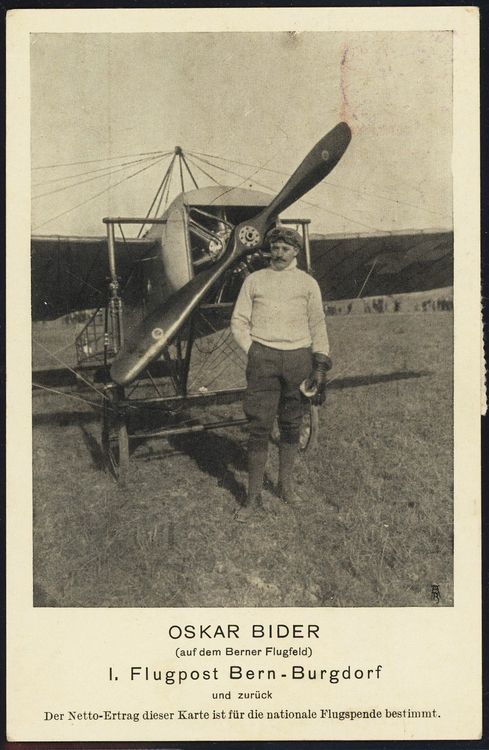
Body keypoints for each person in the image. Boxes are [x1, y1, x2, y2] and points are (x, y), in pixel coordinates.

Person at [231, 226, 332, 521]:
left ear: (296, 252)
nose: (278, 253)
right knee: (259, 427)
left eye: (285, 249)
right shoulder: (254, 280)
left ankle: (285, 487)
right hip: (263, 358)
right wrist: (253, 350)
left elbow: (318, 324)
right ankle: (252, 499)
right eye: (274, 247)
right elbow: (238, 320)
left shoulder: (308, 283)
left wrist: (320, 363)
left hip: (299, 358)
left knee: (291, 424)